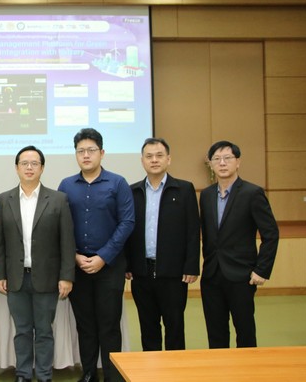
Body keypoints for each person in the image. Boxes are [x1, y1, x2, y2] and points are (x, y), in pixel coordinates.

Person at [58, 128, 134, 382]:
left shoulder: (118, 183)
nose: (86, 155)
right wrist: (74, 256)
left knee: (109, 325)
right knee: (85, 325)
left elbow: (127, 223)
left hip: (109, 266)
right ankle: (89, 373)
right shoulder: (66, 185)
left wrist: (103, 256)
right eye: (81, 151)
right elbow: (60, 225)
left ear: (102, 153)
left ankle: (113, 376)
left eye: (91, 150)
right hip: (78, 266)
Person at [0, 146, 75, 382]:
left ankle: (44, 375)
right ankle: (23, 374)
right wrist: (0, 274)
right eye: (24, 163)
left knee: (44, 331)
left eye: (34, 163)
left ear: (42, 168)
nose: (29, 168)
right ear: (16, 167)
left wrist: (66, 276)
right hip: (16, 278)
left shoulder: (58, 199)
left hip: (47, 278)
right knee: (22, 331)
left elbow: (67, 241)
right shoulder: (4, 199)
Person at [200, 140, 279, 348]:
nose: (222, 163)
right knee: (215, 333)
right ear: (211, 164)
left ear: (238, 162)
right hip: (212, 275)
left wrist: (261, 269)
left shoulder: (252, 193)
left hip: (241, 275)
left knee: (245, 332)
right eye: (217, 159)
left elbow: (271, 234)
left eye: (227, 158)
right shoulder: (206, 195)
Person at [125, 138, 200, 351]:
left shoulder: (183, 189)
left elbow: (193, 230)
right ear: (142, 161)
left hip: (173, 273)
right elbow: (127, 231)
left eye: (159, 155)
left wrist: (191, 266)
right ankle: (151, 367)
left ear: (169, 159)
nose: (154, 160)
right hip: (141, 272)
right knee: (148, 327)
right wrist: (128, 264)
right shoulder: (133, 191)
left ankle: (175, 368)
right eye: (149, 156)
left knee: (174, 326)